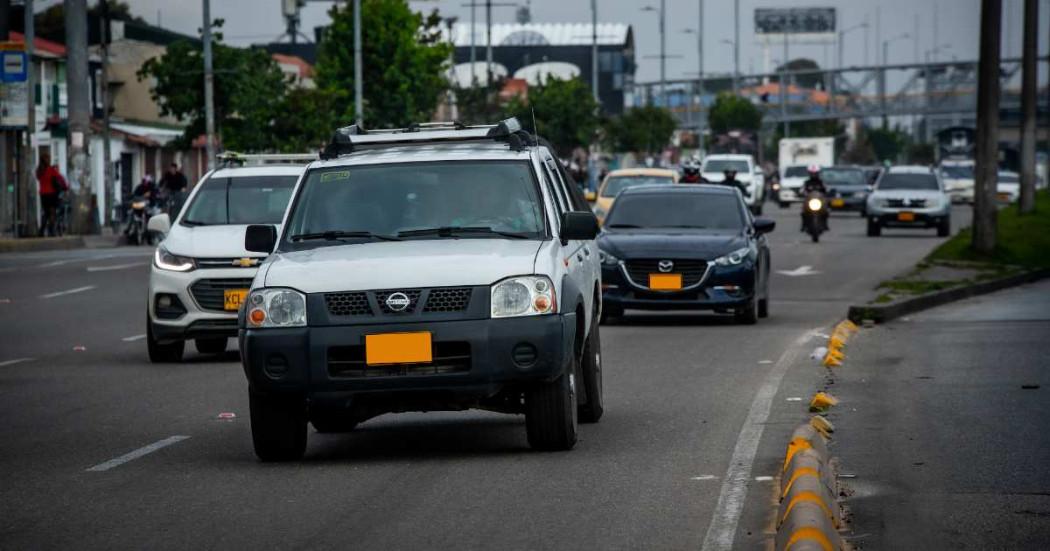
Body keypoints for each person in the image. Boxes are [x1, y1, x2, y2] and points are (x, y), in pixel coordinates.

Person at [36, 152, 68, 237]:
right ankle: (51, 230)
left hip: (43, 195)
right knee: (52, 213)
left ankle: (41, 230)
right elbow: (60, 178)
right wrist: (66, 187)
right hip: (51, 194)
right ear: (46, 160)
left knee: (46, 213)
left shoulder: (39, 171)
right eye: (48, 159)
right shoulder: (51, 170)